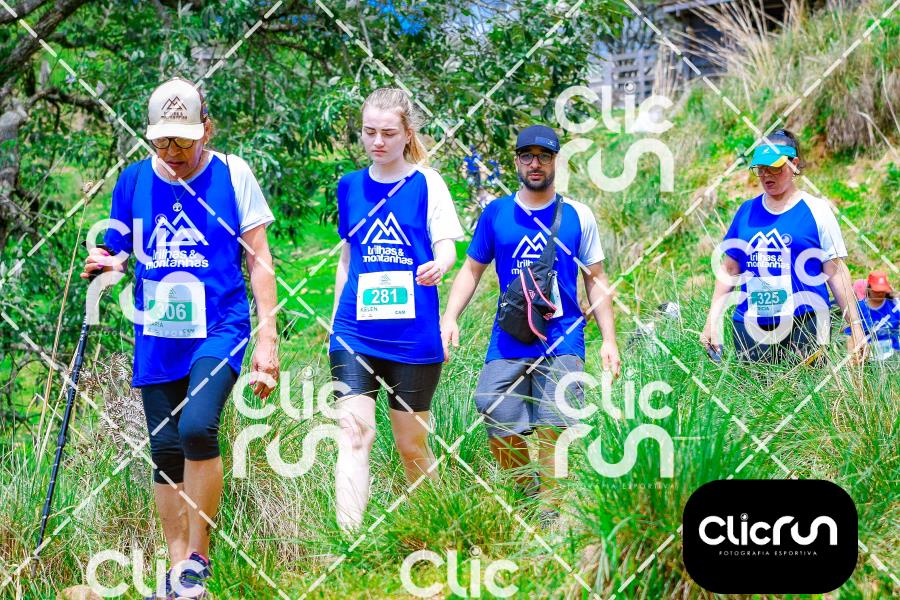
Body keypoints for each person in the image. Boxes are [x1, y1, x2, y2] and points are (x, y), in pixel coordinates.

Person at [81, 77, 279, 599]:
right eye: (163, 141)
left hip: (219, 326)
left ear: (205, 130)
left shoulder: (233, 175)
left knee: (196, 427)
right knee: (166, 450)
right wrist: (107, 264)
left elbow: (259, 259)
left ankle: (197, 561)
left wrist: (268, 339)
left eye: (183, 141)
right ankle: (176, 579)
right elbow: (118, 249)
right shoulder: (133, 181)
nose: (172, 152)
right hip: (158, 333)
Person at [441, 125, 620, 513]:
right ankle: (527, 497)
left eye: (544, 156)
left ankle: (551, 517)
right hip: (510, 334)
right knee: (493, 406)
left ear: (555, 161)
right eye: (527, 156)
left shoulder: (578, 215)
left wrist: (609, 340)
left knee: (555, 425)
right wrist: (450, 316)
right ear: (516, 161)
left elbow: (596, 278)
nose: (535, 164)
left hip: (563, 336)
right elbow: (472, 269)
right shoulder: (497, 213)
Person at [329, 88, 464, 531]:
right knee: (354, 435)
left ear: (408, 134)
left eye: (388, 133)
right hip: (355, 332)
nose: (377, 141)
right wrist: (334, 326)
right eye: (369, 132)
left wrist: (439, 265)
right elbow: (347, 258)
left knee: (412, 446)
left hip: (412, 336)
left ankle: (438, 532)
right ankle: (348, 543)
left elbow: (447, 247)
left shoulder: (427, 183)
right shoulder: (350, 186)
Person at [700, 129, 866, 364]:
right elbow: (729, 269)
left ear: (794, 164)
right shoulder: (746, 212)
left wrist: (855, 327)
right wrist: (712, 322)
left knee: (808, 387)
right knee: (754, 389)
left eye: (775, 168)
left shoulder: (817, 210)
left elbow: (835, 272)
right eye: (761, 169)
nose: (767, 175)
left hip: (807, 322)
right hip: (751, 326)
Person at [844, 271, 900, 360]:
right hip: (869, 357)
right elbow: (850, 335)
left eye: (882, 290)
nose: (880, 293)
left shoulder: (894, 305)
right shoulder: (859, 308)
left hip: (894, 356)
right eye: (877, 290)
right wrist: (852, 357)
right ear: (869, 289)